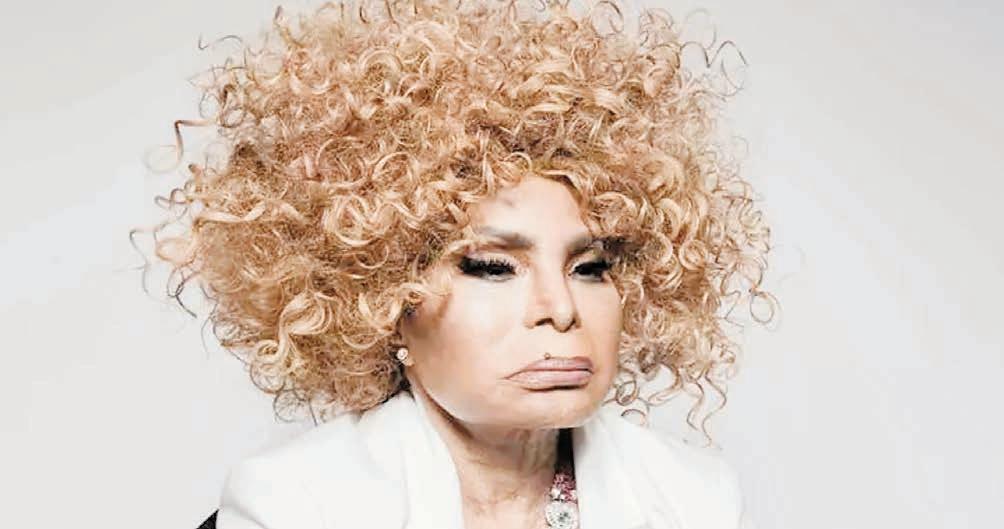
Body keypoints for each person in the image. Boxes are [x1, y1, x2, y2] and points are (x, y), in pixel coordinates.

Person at [137, 1, 777, 527]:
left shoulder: (696, 501)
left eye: (590, 267)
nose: (560, 309)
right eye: (493, 268)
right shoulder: (296, 506)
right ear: (382, 301)